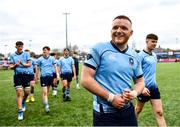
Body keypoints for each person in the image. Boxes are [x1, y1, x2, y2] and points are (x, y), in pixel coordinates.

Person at [80, 15, 145, 126]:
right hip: (105, 114)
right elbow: (85, 80)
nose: (118, 31)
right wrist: (111, 98)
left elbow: (140, 81)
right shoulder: (99, 48)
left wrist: (134, 93)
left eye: (124, 28)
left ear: (131, 32)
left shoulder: (135, 55)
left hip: (128, 112)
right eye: (115, 27)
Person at [135, 33, 167, 127]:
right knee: (138, 110)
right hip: (143, 88)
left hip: (154, 88)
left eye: (156, 42)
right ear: (146, 41)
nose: (154, 44)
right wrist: (142, 88)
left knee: (159, 112)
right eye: (153, 41)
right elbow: (135, 74)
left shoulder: (154, 55)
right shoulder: (140, 56)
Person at [9, 41, 31, 120]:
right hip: (17, 76)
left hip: (26, 75)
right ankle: (20, 111)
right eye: (18, 46)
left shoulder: (26, 54)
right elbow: (10, 67)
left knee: (27, 92)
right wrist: (15, 65)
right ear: (16, 46)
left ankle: (23, 101)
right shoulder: (12, 55)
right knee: (19, 93)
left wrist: (23, 64)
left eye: (21, 46)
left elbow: (29, 64)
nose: (20, 47)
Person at [36, 46, 59, 113]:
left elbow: (55, 66)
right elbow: (37, 68)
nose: (44, 51)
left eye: (45, 50)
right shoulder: (40, 59)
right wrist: (36, 76)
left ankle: (45, 102)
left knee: (47, 92)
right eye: (43, 50)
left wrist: (57, 74)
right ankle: (47, 106)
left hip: (50, 77)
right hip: (43, 77)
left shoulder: (52, 58)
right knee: (45, 92)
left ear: (49, 51)